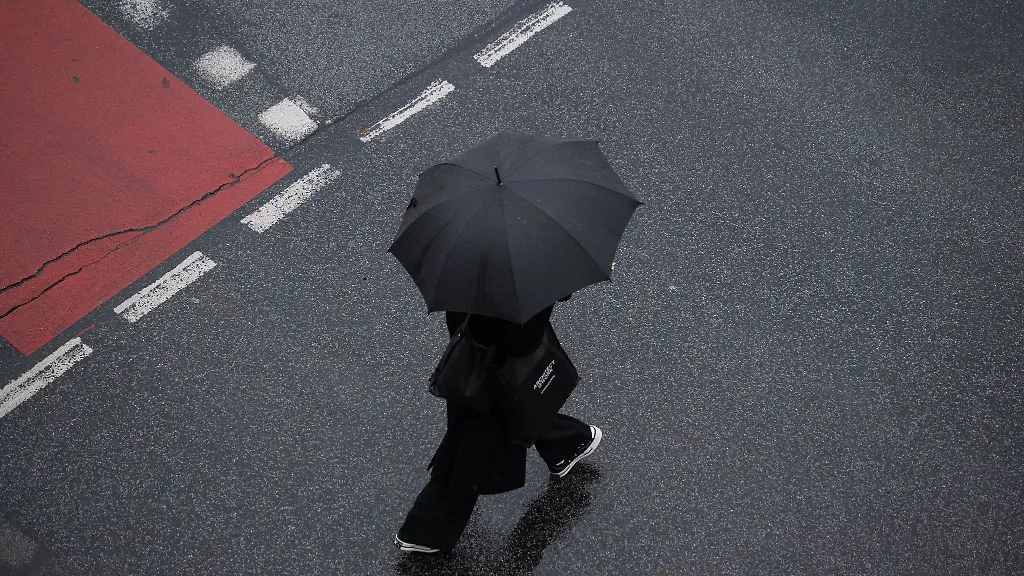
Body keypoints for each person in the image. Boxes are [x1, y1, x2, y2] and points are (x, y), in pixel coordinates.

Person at [394, 295, 602, 554]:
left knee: (489, 426)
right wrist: (546, 302)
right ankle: (425, 533)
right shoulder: (517, 288)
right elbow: (524, 342)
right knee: (470, 454)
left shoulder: (470, 277)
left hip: (468, 364)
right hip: (493, 374)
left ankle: (567, 444)